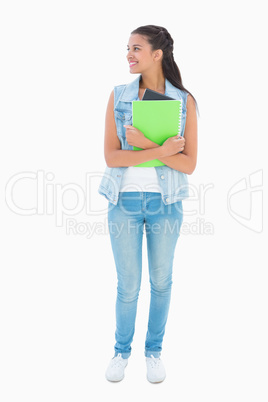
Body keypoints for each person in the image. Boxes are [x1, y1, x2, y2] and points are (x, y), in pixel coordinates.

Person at [98, 24, 198, 383]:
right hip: (123, 201)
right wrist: (156, 150)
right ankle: (120, 352)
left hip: (166, 202)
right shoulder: (118, 96)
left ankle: (153, 351)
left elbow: (188, 164)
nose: (129, 54)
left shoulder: (183, 101)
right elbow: (112, 157)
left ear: (158, 54)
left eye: (137, 48)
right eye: (127, 48)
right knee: (128, 285)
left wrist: (143, 149)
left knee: (161, 281)